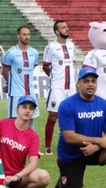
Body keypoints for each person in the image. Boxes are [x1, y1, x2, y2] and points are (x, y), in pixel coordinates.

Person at [53, 67, 106, 188]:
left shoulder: (104, 104)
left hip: (94, 150)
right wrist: (99, 142)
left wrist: (97, 147)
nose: (90, 84)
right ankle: (62, 185)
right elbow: (69, 137)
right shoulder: (66, 105)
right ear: (78, 83)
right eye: (86, 81)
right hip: (72, 154)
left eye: (93, 81)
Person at [0, 95, 50, 188]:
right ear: (17, 110)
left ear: (33, 112)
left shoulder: (33, 136)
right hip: (1, 177)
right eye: (24, 107)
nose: (27, 110)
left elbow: (33, 163)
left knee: (44, 177)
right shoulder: (4, 124)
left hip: (18, 178)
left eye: (31, 108)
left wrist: (17, 176)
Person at [42, 20, 76, 156]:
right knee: (53, 115)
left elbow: (72, 64)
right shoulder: (51, 47)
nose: (67, 29)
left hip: (71, 87)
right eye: (63, 27)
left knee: (73, 115)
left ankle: (72, 142)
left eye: (67, 26)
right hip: (57, 87)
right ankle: (48, 147)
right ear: (57, 31)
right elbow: (46, 66)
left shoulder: (72, 46)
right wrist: (54, 77)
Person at [2, 25, 40, 129]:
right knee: (14, 122)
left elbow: (32, 68)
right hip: (16, 94)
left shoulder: (34, 53)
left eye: (28, 34)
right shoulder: (10, 53)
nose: (27, 37)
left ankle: (30, 145)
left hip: (30, 93)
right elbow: (4, 71)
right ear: (18, 36)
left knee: (30, 121)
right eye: (24, 34)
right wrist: (11, 84)